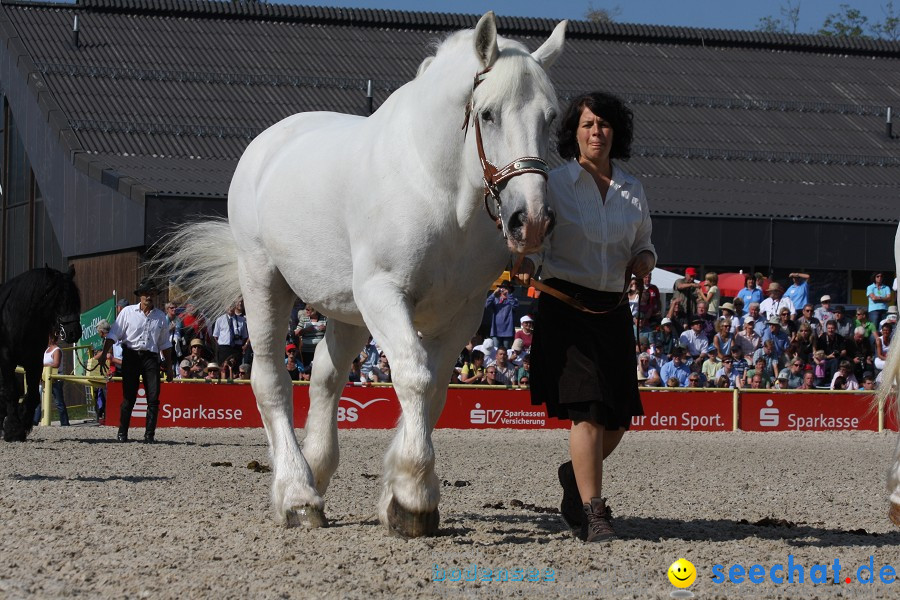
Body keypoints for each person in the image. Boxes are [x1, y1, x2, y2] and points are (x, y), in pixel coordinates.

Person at [517, 91, 656, 542]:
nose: (597, 132)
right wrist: (527, 261)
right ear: (574, 133)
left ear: (617, 132)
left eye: (605, 125)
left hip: (613, 310)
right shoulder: (553, 184)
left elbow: (644, 242)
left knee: (619, 418)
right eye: (588, 125)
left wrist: (644, 260)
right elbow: (535, 244)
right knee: (589, 412)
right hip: (565, 307)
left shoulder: (632, 189)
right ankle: (594, 512)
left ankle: (572, 473)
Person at [101, 278, 173, 443]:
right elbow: (113, 335)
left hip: (151, 357)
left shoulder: (161, 317)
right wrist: (105, 353)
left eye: (151, 293)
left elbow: (165, 344)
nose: (148, 297)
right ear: (140, 295)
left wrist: (169, 367)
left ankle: (149, 435)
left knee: (153, 398)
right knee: (129, 396)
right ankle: (122, 432)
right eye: (146, 293)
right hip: (131, 355)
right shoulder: (127, 312)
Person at [38, 333, 69, 426]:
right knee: (40, 401)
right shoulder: (46, 350)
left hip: (55, 379)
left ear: (51, 339)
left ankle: (64, 423)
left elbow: (56, 364)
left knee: (59, 402)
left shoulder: (57, 350)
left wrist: (43, 366)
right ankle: (35, 421)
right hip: (44, 379)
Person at [211, 301, 249, 366]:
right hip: (224, 348)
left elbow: (244, 336)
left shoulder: (241, 320)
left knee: (236, 368)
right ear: (225, 307)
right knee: (223, 368)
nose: (230, 308)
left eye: (232, 306)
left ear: (235, 307)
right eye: (229, 306)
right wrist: (221, 344)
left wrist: (241, 344)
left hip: (236, 348)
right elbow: (215, 336)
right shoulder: (220, 320)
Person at [484, 281, 519, 349]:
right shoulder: (496, 299)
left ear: (510, 289)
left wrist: (508, 295)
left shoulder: (513, 300)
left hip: (508, 332)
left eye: (505, 288)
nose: (503, 289)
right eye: (502, 288)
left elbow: (515, 306)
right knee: (495, 350)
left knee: (506, 351)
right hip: (495, 331)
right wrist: (493, 294)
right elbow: (486, 305)